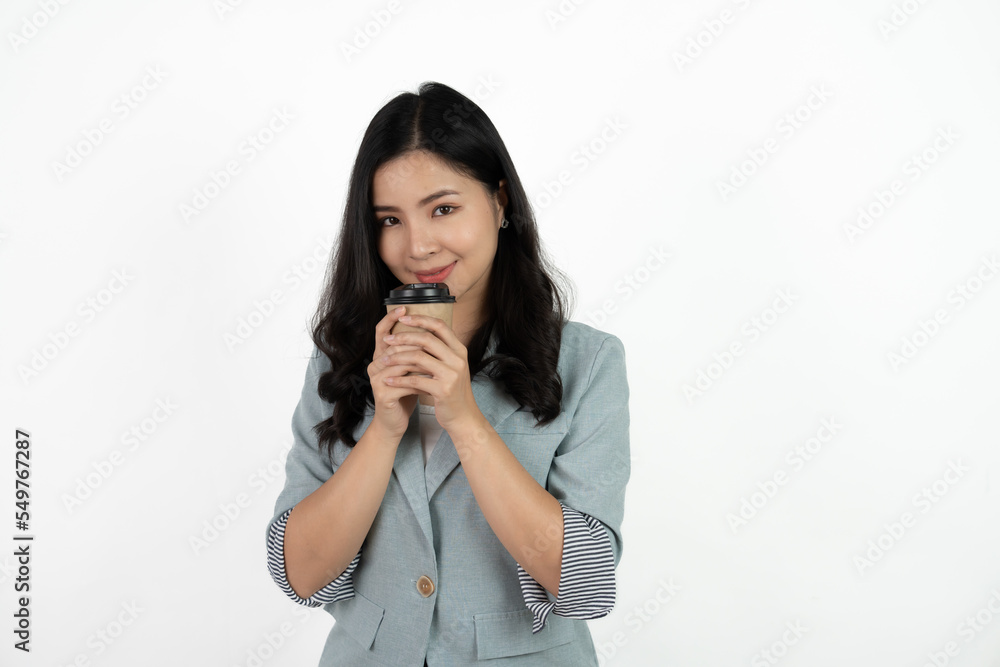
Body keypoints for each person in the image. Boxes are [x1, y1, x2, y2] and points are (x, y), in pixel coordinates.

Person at [264, 81, 630, 666]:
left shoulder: (588, 363)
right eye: (389, 219)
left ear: (500, 201)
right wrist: (384, 429)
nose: (418, 245)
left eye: (443, 208)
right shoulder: (339, 360)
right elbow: (300, 576)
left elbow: (585, 583)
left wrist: (465, 418)